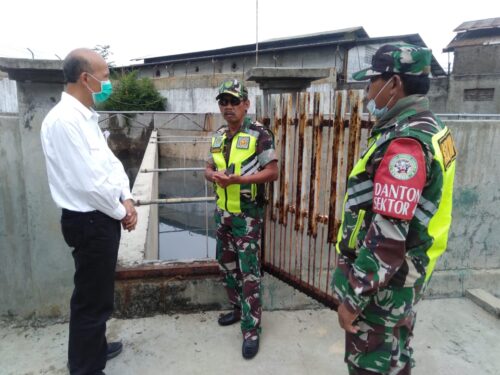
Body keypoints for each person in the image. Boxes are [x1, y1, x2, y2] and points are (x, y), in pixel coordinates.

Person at [331, 44, 457, 374]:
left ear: (395, 83)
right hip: (409, 273)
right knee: (397, 355)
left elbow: (387, 238)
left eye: (374, 81)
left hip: (385, 285)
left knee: (371, 363)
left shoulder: (406, 143)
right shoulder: (433, 129)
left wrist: (353, 299)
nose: (369, 90)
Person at [41, 48, 138, 375]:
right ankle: (86, 368)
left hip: (101, 216)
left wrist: (126, 197)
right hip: (91, 219)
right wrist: (121, 210)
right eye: (106, 75)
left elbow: (109, 164)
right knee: (91, 301)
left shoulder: (85, 117)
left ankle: (94, 348)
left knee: (97, 294)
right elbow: (89, 184)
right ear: (86, 78)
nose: (108, 82)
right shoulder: (64, 122)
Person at [204, 79, 278, 359]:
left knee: (249, 272)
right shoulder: (219, 136)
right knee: (226, 264)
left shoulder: (260, 134)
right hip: (223, 213)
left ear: (246, 104)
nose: (228, 107)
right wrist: (213, 175)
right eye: (223, 102)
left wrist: (239, 179)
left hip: (247, 217)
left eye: (234, 101)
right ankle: (237, 310)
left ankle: (251, 329)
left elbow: (272, 172)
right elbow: (208, 167)